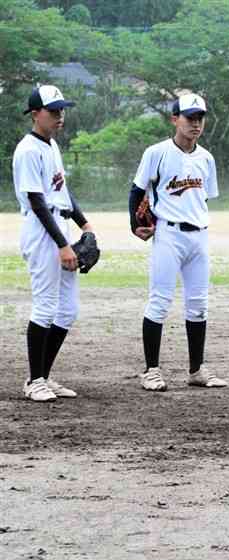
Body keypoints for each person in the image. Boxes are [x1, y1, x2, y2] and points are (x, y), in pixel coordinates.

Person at [128, 93, 228, 392]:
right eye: (189, 118)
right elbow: (136, 191)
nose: (195, 123)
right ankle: (151, 370)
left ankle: (197, 369)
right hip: (168, 235)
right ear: (175, 119)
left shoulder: (206, 158)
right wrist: (135, 224)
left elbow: (204, 197)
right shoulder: (156, 152)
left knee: (198, 305)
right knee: (159, 301)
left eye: (200, 118)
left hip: (199, 235)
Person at [13, 85, 94, 401]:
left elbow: (62, 192)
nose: (60, 116)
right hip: (42, 231)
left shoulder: (51, 146)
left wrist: (84, 224)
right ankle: (34, 381)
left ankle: (43, 376)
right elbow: (37, 201)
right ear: (36, 114)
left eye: (62, 110)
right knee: (46, 306)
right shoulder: (28, 150)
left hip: (59, 227)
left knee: (68, 309)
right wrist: (63, 244)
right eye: (53, 110)